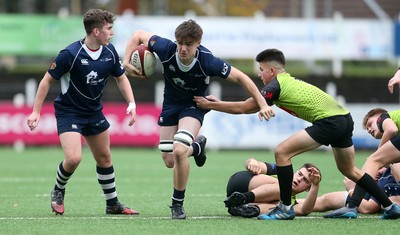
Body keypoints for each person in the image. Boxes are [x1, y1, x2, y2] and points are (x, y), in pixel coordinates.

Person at [193, 48, 400, 220]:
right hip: (345, 119)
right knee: (350, 170)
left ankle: (284, 208)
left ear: (272, 70)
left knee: (282, 152)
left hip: (330, 122)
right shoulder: (287, 82)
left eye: (261, 70)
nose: (259, 74)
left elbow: (247, 107)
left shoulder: (277, 84)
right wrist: (216, 104)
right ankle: (389, 207)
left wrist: (212, 105)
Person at [122, 20, 275, 219]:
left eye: (189, 44)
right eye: (180, 43)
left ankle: (177, 204)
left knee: (178, 151)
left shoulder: (208, 61)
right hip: (170, 105)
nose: (183, 48)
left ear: (198, 43)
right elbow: (137, 35)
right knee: (169, 160)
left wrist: (262, 104)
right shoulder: (166, 48)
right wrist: (126, 61)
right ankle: (197, 148)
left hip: (193, 106)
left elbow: (241, 78)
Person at [26, 9, 139, 216]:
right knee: (74, 158)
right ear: (96, 31)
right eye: (109, 29)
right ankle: (58, 190)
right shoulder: (70, 54)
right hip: (69, 112)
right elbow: (46, 81)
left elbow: (121, 78)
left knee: (104, 158)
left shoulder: (110, 52)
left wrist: (131, 103)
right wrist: (36, 112)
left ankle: (112, 204)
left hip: (94, 112)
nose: (112, 33)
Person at [324, 108, 400, 218]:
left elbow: (392, 129)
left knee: (372, 160)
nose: (369, 129)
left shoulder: (383, 117)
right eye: (367, 129)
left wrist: (377, 157)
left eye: (370, 124)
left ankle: (352, 205)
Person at [224, 158, 321, 218]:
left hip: (238, 200)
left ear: (308, 189)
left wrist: (315, 185)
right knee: (284, 187)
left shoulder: (290, 203)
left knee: (283, 209)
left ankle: (244, 208)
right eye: (299, 174)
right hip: (242, 181)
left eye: (305, 180)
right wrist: (252, 162)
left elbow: (305, 211)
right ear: (295, 172)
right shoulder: (282, 171)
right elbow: (253, 163)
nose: (299, 179)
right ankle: (245, 197)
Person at [301, 164, 400, 215]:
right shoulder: (388, 163)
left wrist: (352, 189)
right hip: (373, 188)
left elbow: (367, 208)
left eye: (370, 124)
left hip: (367, 198)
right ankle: (288, 202)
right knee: (326, 199)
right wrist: (386, 166)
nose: (369, 129)